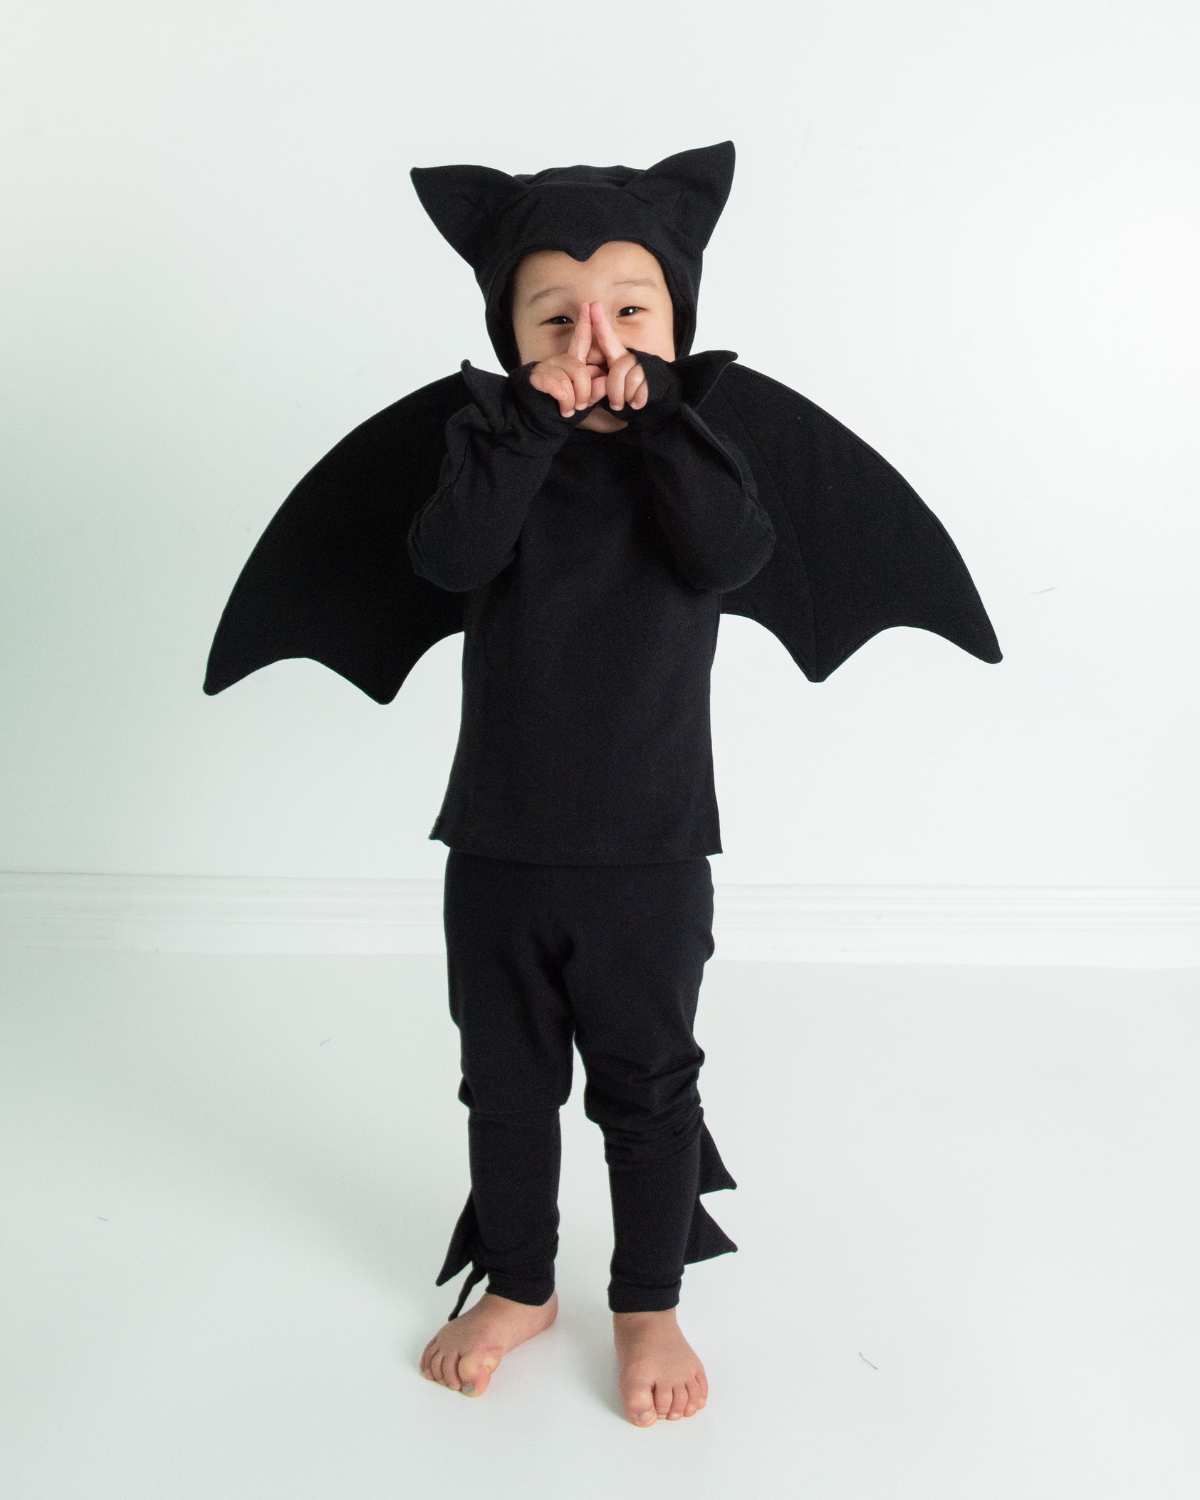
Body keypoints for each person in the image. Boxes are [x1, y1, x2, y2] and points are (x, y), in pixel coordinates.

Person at [409, 239, 774, 1426]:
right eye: (555, 317)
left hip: (650, 851)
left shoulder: (698, 453)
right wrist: (524, 428)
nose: (594, 339)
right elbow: (449, 556)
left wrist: (666, 420)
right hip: (500, 843)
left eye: (629, 311)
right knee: (504, 1084)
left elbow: (731, 552)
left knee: (648, 1086)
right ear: (512, 338)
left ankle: (647, 1303)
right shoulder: (489, 447)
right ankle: (518, 1283)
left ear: (676, 327)